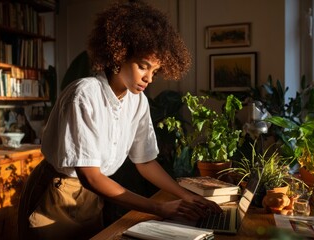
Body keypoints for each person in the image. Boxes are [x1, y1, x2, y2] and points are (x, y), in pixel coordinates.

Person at [18, 1, 222, 239]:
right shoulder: (85, 94)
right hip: (56, 192)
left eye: (154, 71)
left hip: (93, 195)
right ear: (118, 55)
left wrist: (187, 195)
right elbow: (90, 176)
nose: (149, 78)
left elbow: (145, 162)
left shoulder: (137, 101)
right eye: (142, 66)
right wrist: (158, 207)